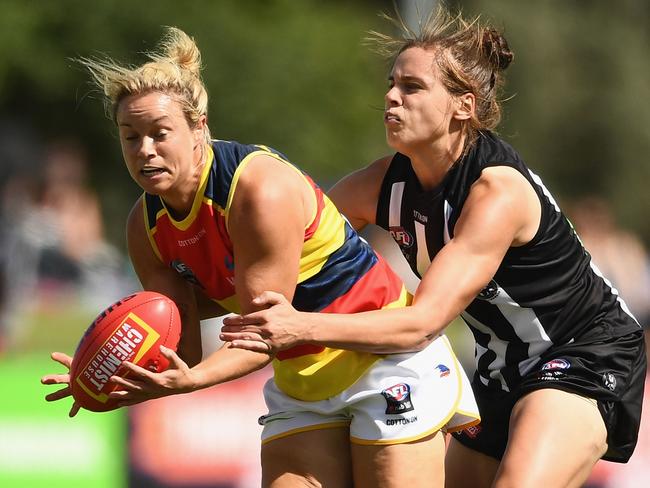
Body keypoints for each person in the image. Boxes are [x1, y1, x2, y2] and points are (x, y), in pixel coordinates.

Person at [219, 6, 647, 488]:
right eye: (391, 83)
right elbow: (300, 242)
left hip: (587, 352)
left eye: (412, 87)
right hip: (499, 365)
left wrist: (299, 326)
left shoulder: (495, 194)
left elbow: (421, 324)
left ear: (463, 106)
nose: (390, 97)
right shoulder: (383, 182)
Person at [39, 27, 480, 488]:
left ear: (199, 128)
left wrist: (189, 383)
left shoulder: (256, 189)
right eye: (131, 137)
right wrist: (113, 373)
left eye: (159, 133)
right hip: (302, 380)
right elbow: (178, 345)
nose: (145, 150)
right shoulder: (144, 227)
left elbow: (263, 334)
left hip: (383, 363)